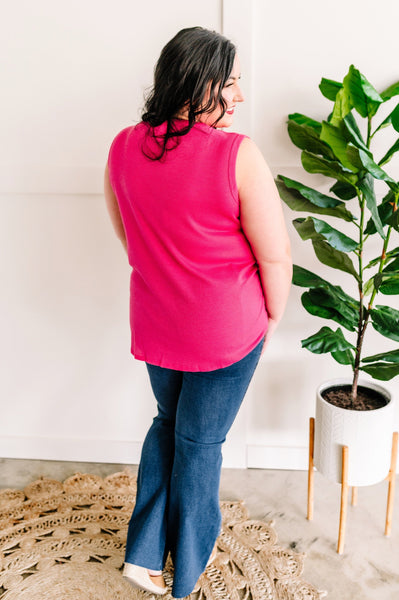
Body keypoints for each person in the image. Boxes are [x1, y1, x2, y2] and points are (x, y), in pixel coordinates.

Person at [104, 26, 292, 599]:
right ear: (196, 83)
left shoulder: (122, 145)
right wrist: (271, 317)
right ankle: (185, 573)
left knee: (170, 425)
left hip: (158, 324)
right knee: (200, 443)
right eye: (230, 84)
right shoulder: (237, 154)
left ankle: (141, 554)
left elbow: (129, 237)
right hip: (224, 333)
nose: (239, 97)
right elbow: (275, 253)